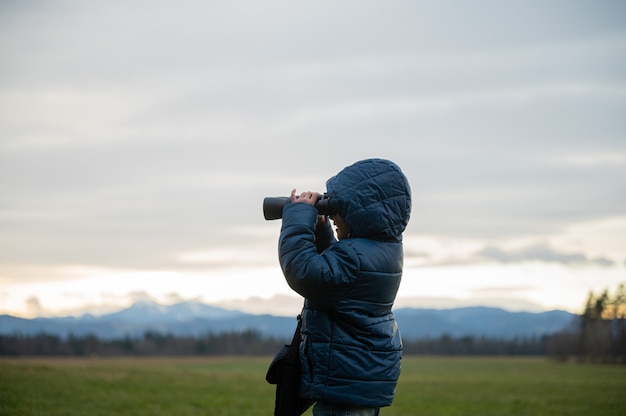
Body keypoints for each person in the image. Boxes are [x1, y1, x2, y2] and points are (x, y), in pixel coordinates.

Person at [278, 158, 412, 416]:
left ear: (360, 212)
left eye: (337, 209)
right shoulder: (380, 250)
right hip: (356, 378)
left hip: (347, 384)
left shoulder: (356, 258)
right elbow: (336, 278)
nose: (333, 215)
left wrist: (298, 217)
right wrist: (320, 231)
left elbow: (304, 271)